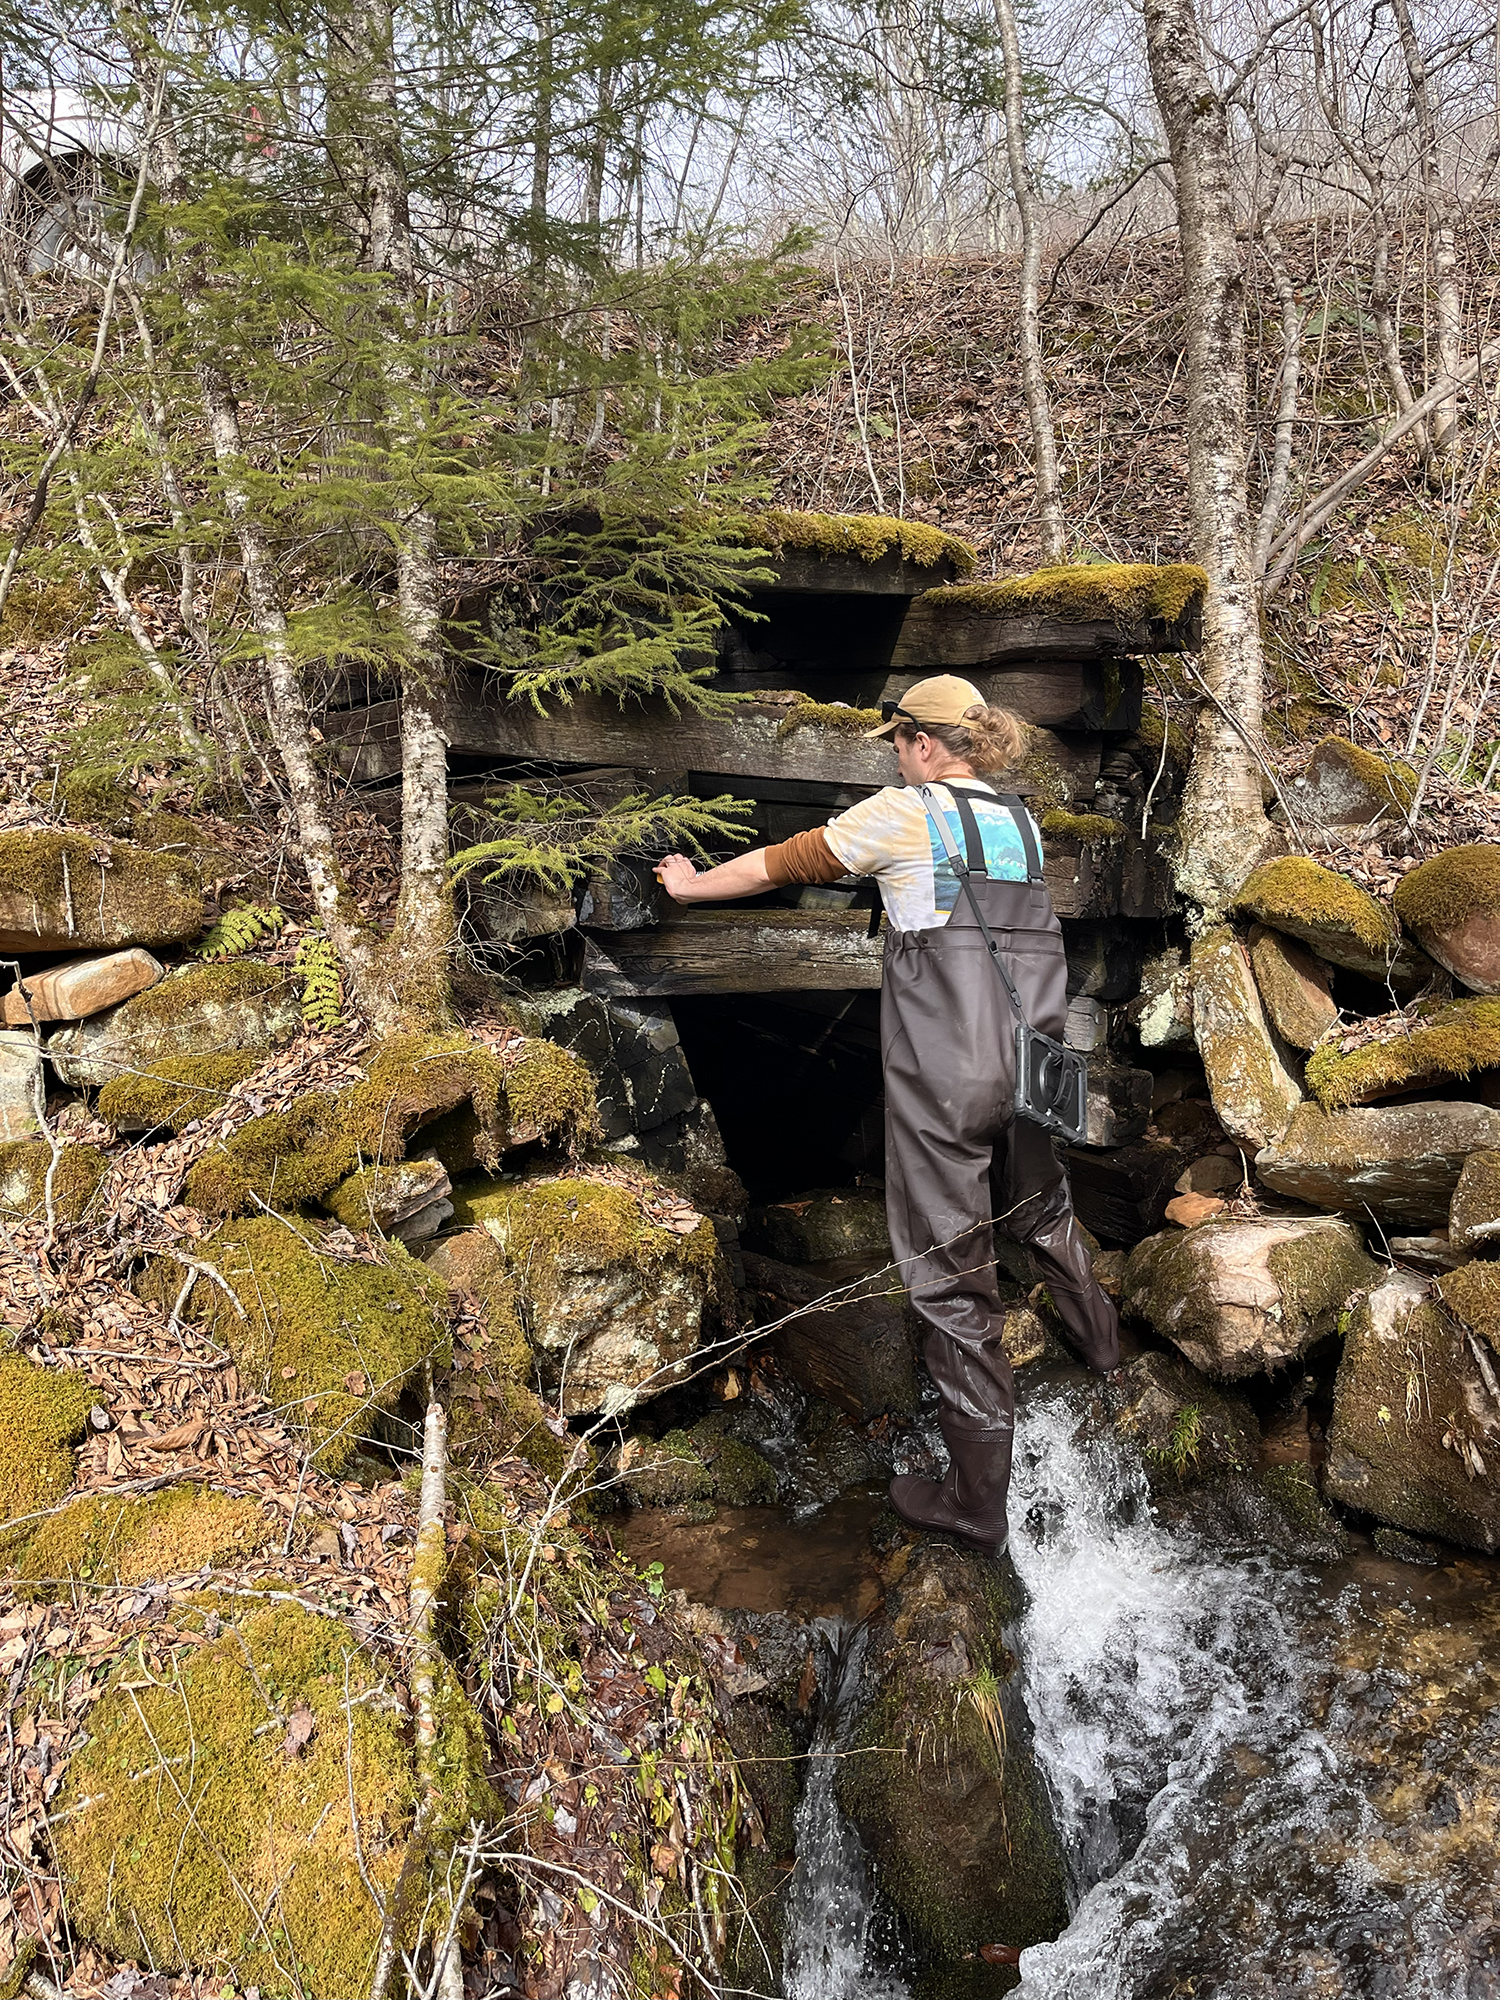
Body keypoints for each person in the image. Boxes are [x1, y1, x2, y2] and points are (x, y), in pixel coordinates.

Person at [654, 674, 1120, 1558]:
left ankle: (976, 1502)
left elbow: (789, 861)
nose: (896, 757)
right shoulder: (1018, 820)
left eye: (899, 743)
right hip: (1035, 1062)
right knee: (1042, 1207)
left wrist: (689, 885)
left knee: (950, 1273)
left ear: (926, 744)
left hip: (950, 1073)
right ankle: (1105, 1352)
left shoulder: (906, 812)